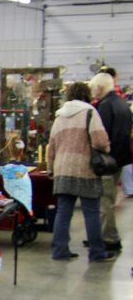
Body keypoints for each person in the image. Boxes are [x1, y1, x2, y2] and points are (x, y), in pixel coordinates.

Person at [47, 82, 116, 263]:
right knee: (91, 212)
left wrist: (50, 168)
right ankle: (97, 252)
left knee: (63, 213)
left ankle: (60, 251)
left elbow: (51, 146)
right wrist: (107, 149)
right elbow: (100, 141)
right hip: (85, 168)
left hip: (62, 169)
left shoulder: (59, 117)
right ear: (87, 94)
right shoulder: (90, 112)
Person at [90, 72, 129, 251]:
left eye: (93, 88)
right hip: (120, 159)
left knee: (105, 202)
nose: (92, 92)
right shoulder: (123, 104)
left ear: (100, 87)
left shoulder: (104, 106)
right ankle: (104, 235)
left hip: (107, 161)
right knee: (109, 200)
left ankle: (109, 239)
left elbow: (101, 137)